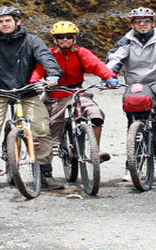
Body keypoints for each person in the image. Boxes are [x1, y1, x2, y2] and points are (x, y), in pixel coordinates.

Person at [0, 6, 63, 192]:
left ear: (17, 21)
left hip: (27, 91)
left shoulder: (32, 41)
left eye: (8, 20)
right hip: (0, 92)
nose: (4, 24)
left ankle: (45, 173)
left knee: (42, 129)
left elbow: (47, 58)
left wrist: (52, 74)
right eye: (0, 21)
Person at [105, 7, 156, 177]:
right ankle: (132, 164)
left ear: (153, 23)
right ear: (132, 24)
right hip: (136, 87)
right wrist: (109, 75)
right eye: (138, 21)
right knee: (133, 122)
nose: (142, 24)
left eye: (146, 21)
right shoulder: (125, 41)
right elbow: (114, 59)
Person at [31, 21, 119, 163]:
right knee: (48, 122)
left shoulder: (81, 53)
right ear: (55, 39)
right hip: (54, 95)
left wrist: (110, 77)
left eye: (69, 36)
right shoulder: (48, 54)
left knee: (95, 112)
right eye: (61, 37)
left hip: (76, 92)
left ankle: (96, 150)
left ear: (74, 38)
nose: (65, 40)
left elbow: (96, 65)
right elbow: (37, 71)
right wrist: (37, 83)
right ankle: (48, 157)